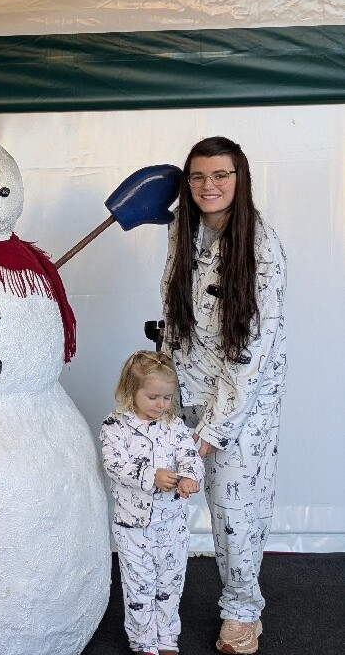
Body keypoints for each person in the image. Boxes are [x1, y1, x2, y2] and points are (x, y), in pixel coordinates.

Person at [161, 136, 286, 655]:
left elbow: (252, 351)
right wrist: (164, 392)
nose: (209, 186)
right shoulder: (181, 233)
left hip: (242, 405)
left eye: (221, 175)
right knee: (169, 499)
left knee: (235, 514)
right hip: (183, 390)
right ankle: (156, 604)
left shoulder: (260, 246)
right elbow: (174, 317)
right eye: (198, 177)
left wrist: (215, 428)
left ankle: (241, 613)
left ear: (240, 178)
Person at [100, 350, 204, 655]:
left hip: (172, 524)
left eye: (167, 398)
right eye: (153, 397)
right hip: (133, 527)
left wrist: (188, 475)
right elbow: (114, 465)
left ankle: (167, 637)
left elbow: (189, 454)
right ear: (131, 392)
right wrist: (150, 476)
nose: (161, 405)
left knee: (170, 583)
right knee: (139, 586)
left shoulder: (175, 427)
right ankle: (144, 641)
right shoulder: (114, 426)